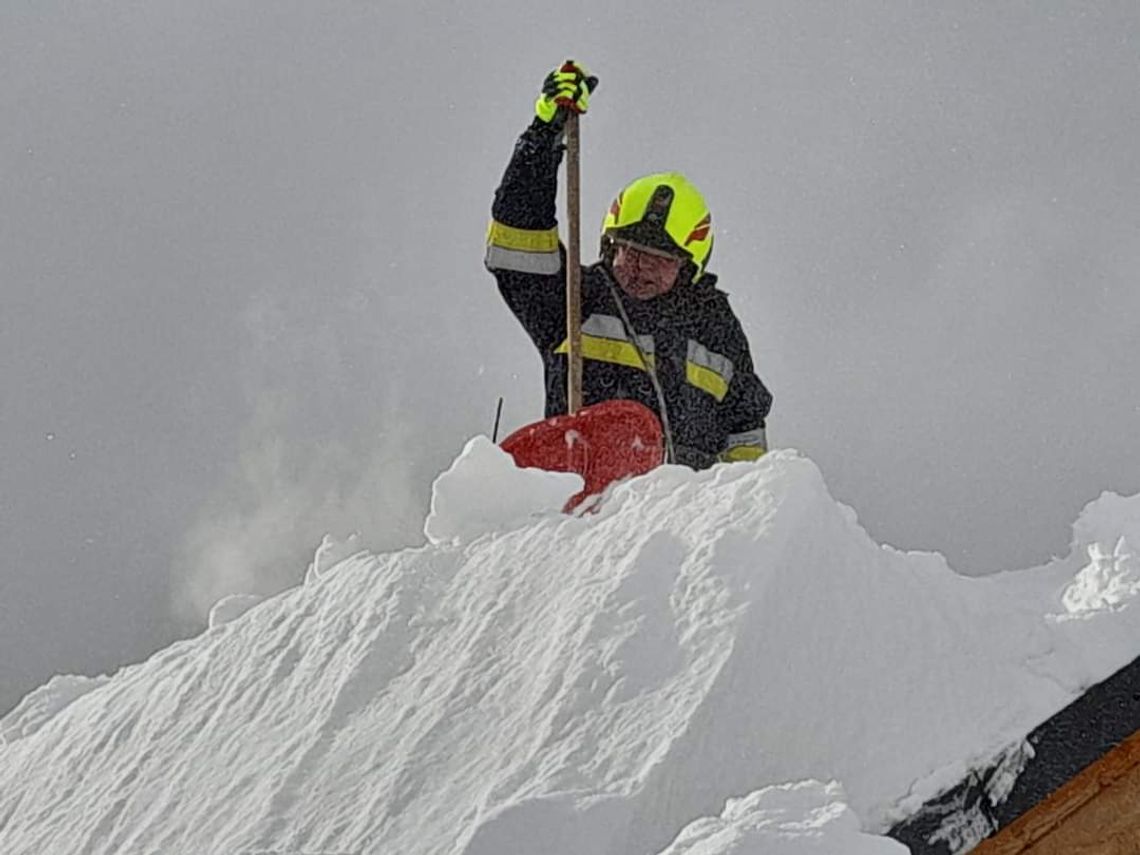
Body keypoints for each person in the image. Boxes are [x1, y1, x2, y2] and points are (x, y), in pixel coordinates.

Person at [485, 61, 772, 469]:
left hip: (684, 524)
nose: (641, 267)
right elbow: (516, 240)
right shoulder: (574, 300)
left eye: (660, 260)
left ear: (689, 269)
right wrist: (543, 136)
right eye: (631, 251)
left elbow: (745, 429)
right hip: (589, 520)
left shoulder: (716, 326)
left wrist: (743, 513)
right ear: (608, 246)